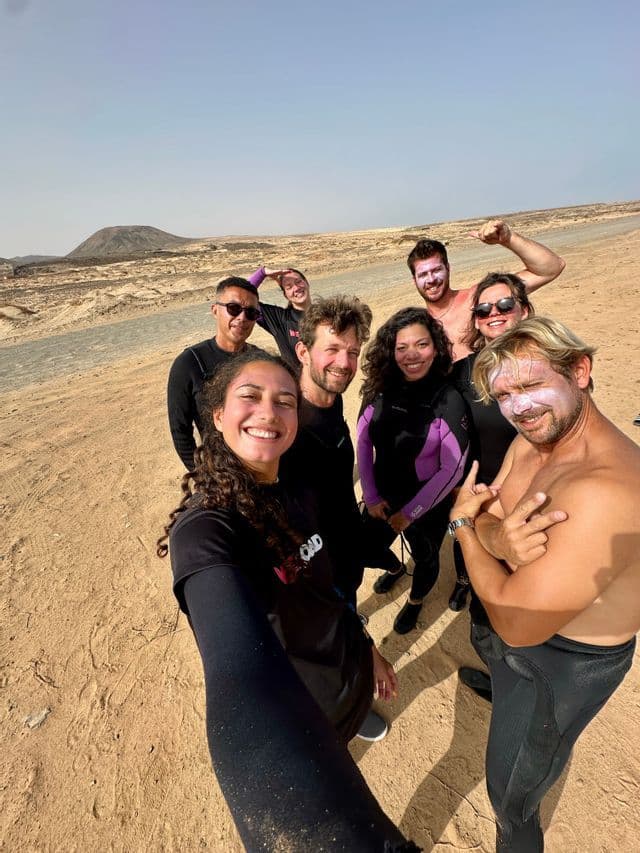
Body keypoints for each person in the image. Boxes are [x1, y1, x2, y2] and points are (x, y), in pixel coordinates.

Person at [157, 351, 416, 852]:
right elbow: (241, 688)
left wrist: (366, 647)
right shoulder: (208, 530)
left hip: (346, 667)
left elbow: (329, 584)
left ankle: (356, 714)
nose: (269, 412)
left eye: (285, 402)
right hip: (301, 702)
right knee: (329, 756)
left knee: (352, 712)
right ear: (216, 416)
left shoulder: (297, 486)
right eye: (249, 397)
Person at [448, 317, 640, 851]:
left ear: (580, 370)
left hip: (564, 663)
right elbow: (494, 509)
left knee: (510, 796)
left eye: (531, 385)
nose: (519, 407)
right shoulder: (536, 441)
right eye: (505, 394)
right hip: (520, 624)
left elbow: (517, 619)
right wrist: (498, 539)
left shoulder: (606, 488)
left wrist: (465, 531)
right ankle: (499, 685)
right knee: (495, 655)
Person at [280, 294, 399, 741]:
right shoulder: (287, 428)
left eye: (352, 352)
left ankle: (350, 692)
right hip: (311, 575)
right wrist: (367, 646)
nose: (344, 363)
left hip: (340, 553)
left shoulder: (329, 403)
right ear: (303, 351)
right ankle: (334, 721)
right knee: (321, 663)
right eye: (332, 350)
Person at [357, 308, 470, 634]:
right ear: (390, 351)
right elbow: (363, 443)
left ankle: (416, 602)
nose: (412, 355)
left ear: (435, 348)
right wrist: (371, 494)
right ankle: (394, 569)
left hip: (426, 502)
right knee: (368, 548)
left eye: (421, 345)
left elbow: (453, 467)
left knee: (426, 558)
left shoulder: (447, 399)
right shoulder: (377, 388)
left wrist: (410, 513)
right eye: (402, 347)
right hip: (382, 494)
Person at [448, 273, 534, 615]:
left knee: (524, 571)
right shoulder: (463, 371)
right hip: (480, 487)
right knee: (470, 549)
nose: (494, 313)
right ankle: (464, 582)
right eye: (483, 310)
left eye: (504, 304)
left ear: (523, 310)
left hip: (534, 488)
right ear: (477, 322)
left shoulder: (551, 363)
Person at [407, 219, 565, 360]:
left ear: (448, 269)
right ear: (414, 280)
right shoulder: (416, 327)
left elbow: (550, 268)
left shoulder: (479, 299)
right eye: (423, 274)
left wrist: (508, 239)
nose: (431, 280)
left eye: (436, 271)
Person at [166, 276, 262, 468]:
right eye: (233, 309)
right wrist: (201, 474)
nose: (242, 318)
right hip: (220, 471)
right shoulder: (189, 363)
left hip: (261, 465)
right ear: (215, 310)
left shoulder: (261, 361)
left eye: (251, 313)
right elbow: (180, 431)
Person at [248, 265, 312, 367]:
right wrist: (262, 273)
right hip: (293, 381)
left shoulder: (325, 314)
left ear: (307, 283)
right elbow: (244, 295)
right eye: (289, 287)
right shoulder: (279, 319)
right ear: (285, 295)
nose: (296, 288)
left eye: (298, 281)